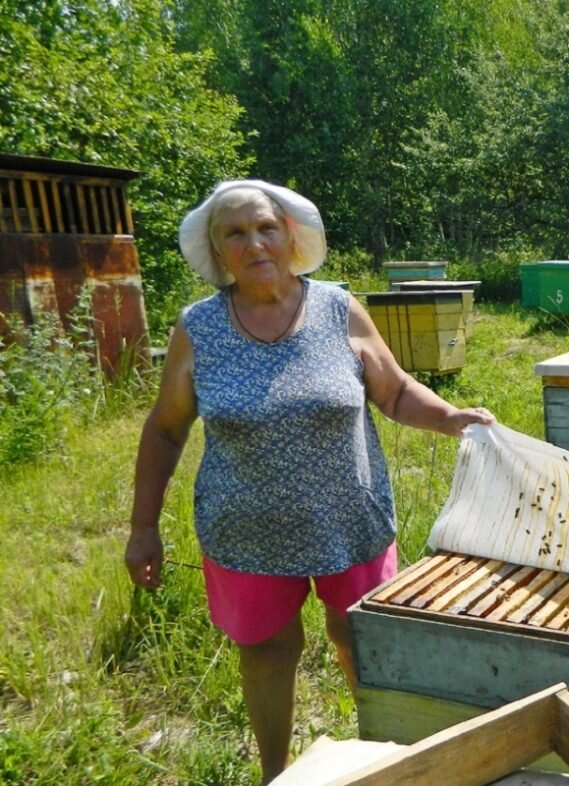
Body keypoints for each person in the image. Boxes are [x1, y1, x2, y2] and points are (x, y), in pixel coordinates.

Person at [123, 180, 493, 783]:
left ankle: (391, 763)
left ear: (290, 235)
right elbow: (165, 431)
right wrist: (143, 528)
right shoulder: (198, 328)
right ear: (217, 251)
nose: (254, 243)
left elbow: (395, 392)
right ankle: (277, 774)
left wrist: (454, 418)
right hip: (245, 533)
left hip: (350, 522)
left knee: (362, 640)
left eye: (265, 227)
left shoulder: (336, 308)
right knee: (266, 651)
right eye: (235, 233)